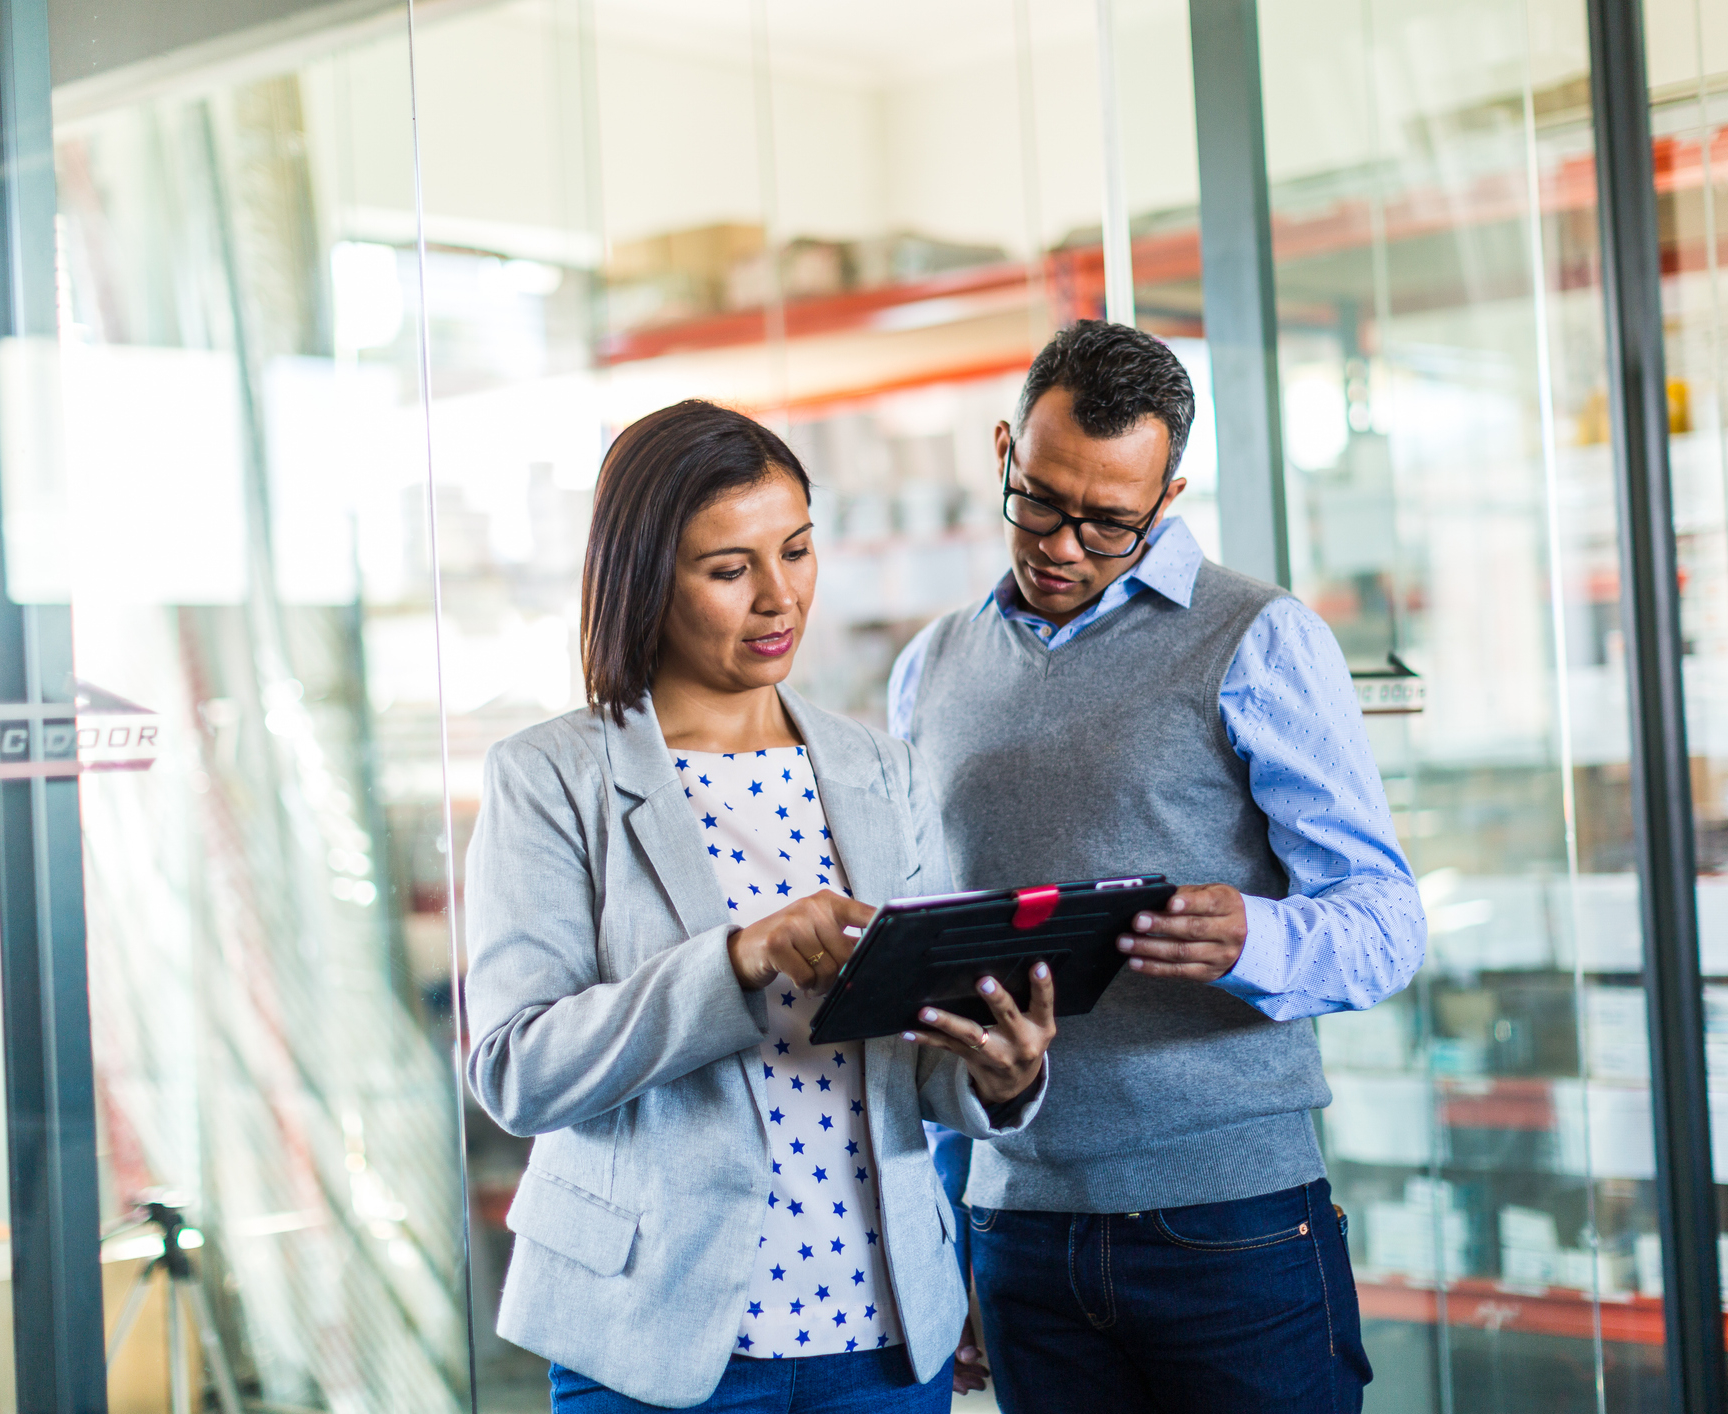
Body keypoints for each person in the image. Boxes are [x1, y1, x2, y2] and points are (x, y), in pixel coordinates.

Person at [464, 399, 1056, 1413]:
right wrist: (734, 959)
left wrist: (996, 1077)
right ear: (648, 579)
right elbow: (517, 1070)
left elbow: (913, 1064)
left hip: (878, 1331)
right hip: (657, 1333)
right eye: (730, 570)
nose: (779, 598)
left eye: (797, 551)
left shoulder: (882, 769)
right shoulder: (550, 778)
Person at [889, 321, 1427, 1413]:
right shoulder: (930, 668)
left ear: (1169, 496)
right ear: (1005, 451)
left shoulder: (1257, 639)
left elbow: (1388, 921)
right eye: (1038, 499)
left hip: (1231, 1228)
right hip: (1016, 1227)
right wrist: (946, 1224)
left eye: (1110, 521)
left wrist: (1257, 938)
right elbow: (936, 972)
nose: (1063, 545)